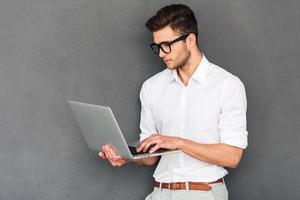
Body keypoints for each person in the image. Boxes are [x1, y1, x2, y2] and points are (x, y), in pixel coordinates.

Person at [99, 4, 248, 200]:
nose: (161, 53)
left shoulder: (228, 85)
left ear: (190, 40)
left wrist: (177, 142)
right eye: (157, 46)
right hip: (160, 192)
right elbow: (150, 157)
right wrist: (126, 157)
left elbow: (232, 157)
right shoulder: (151, 87)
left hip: (204, 193)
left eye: (166, 45)